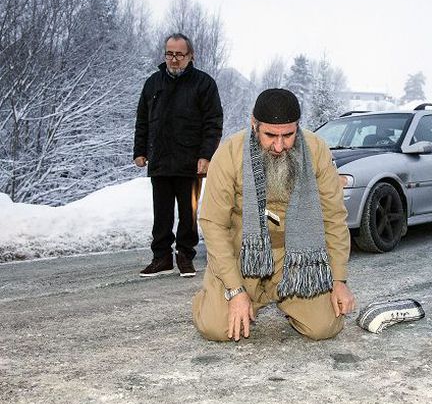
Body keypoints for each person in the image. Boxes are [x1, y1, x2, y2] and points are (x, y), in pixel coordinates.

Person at [192, 88, 355, 341]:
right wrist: (235, 290)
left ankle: (284, 296)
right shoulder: (229, 153)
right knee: (215, 328)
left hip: (295, 261)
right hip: (243, 257)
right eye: (270, 135)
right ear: (254, 125)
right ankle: (213, 293)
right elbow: (212, 223)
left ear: (297, 128)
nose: (279, 146)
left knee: (325, 326)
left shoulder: (316, 150)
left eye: (288, 135)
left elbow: (333, 217)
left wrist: (338, 279)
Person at [133, 33, 223, 278]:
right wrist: (139, 150)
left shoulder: (203, 83)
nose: (173, 59)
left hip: (190, 162)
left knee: (188, 213)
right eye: (169, 54)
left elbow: (213, 122)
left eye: (179, 54)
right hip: (160, 159)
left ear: (190, 56)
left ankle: (185, 255)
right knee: (161, 212)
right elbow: (142, 119)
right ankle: (161, 258)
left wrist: (206, 155)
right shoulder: (153, 83)